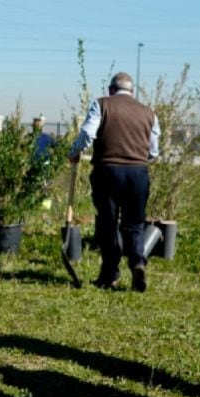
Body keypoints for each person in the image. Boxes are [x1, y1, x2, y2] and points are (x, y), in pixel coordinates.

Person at [69, 72, 160, 292]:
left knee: (108, 223)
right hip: (138, 173)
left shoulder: (102, 104)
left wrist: (75, 151)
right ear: (132, 91)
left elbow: (88, 133)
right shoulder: (149, 113)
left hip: (107, 171)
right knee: (135, 223)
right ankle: (137, 262)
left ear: (111, 89)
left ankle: (109, 275)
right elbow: (154, 150)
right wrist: (137, 160)